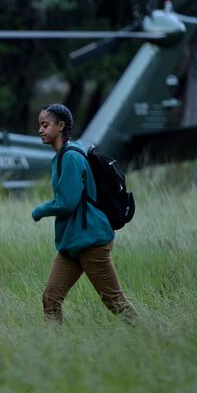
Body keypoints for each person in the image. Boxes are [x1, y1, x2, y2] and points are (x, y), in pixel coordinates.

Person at [32, 103, 137, 323]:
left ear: (60, 126)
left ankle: (148, 336)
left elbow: (67, 203)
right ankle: (53, 349)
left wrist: (40, 210)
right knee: (51, 297)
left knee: (114, 300)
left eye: (45, 125)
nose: (40, 130)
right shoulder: (63, 155)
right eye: (40, 125)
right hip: (74, 241)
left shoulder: (71, 156)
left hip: (91, 241)